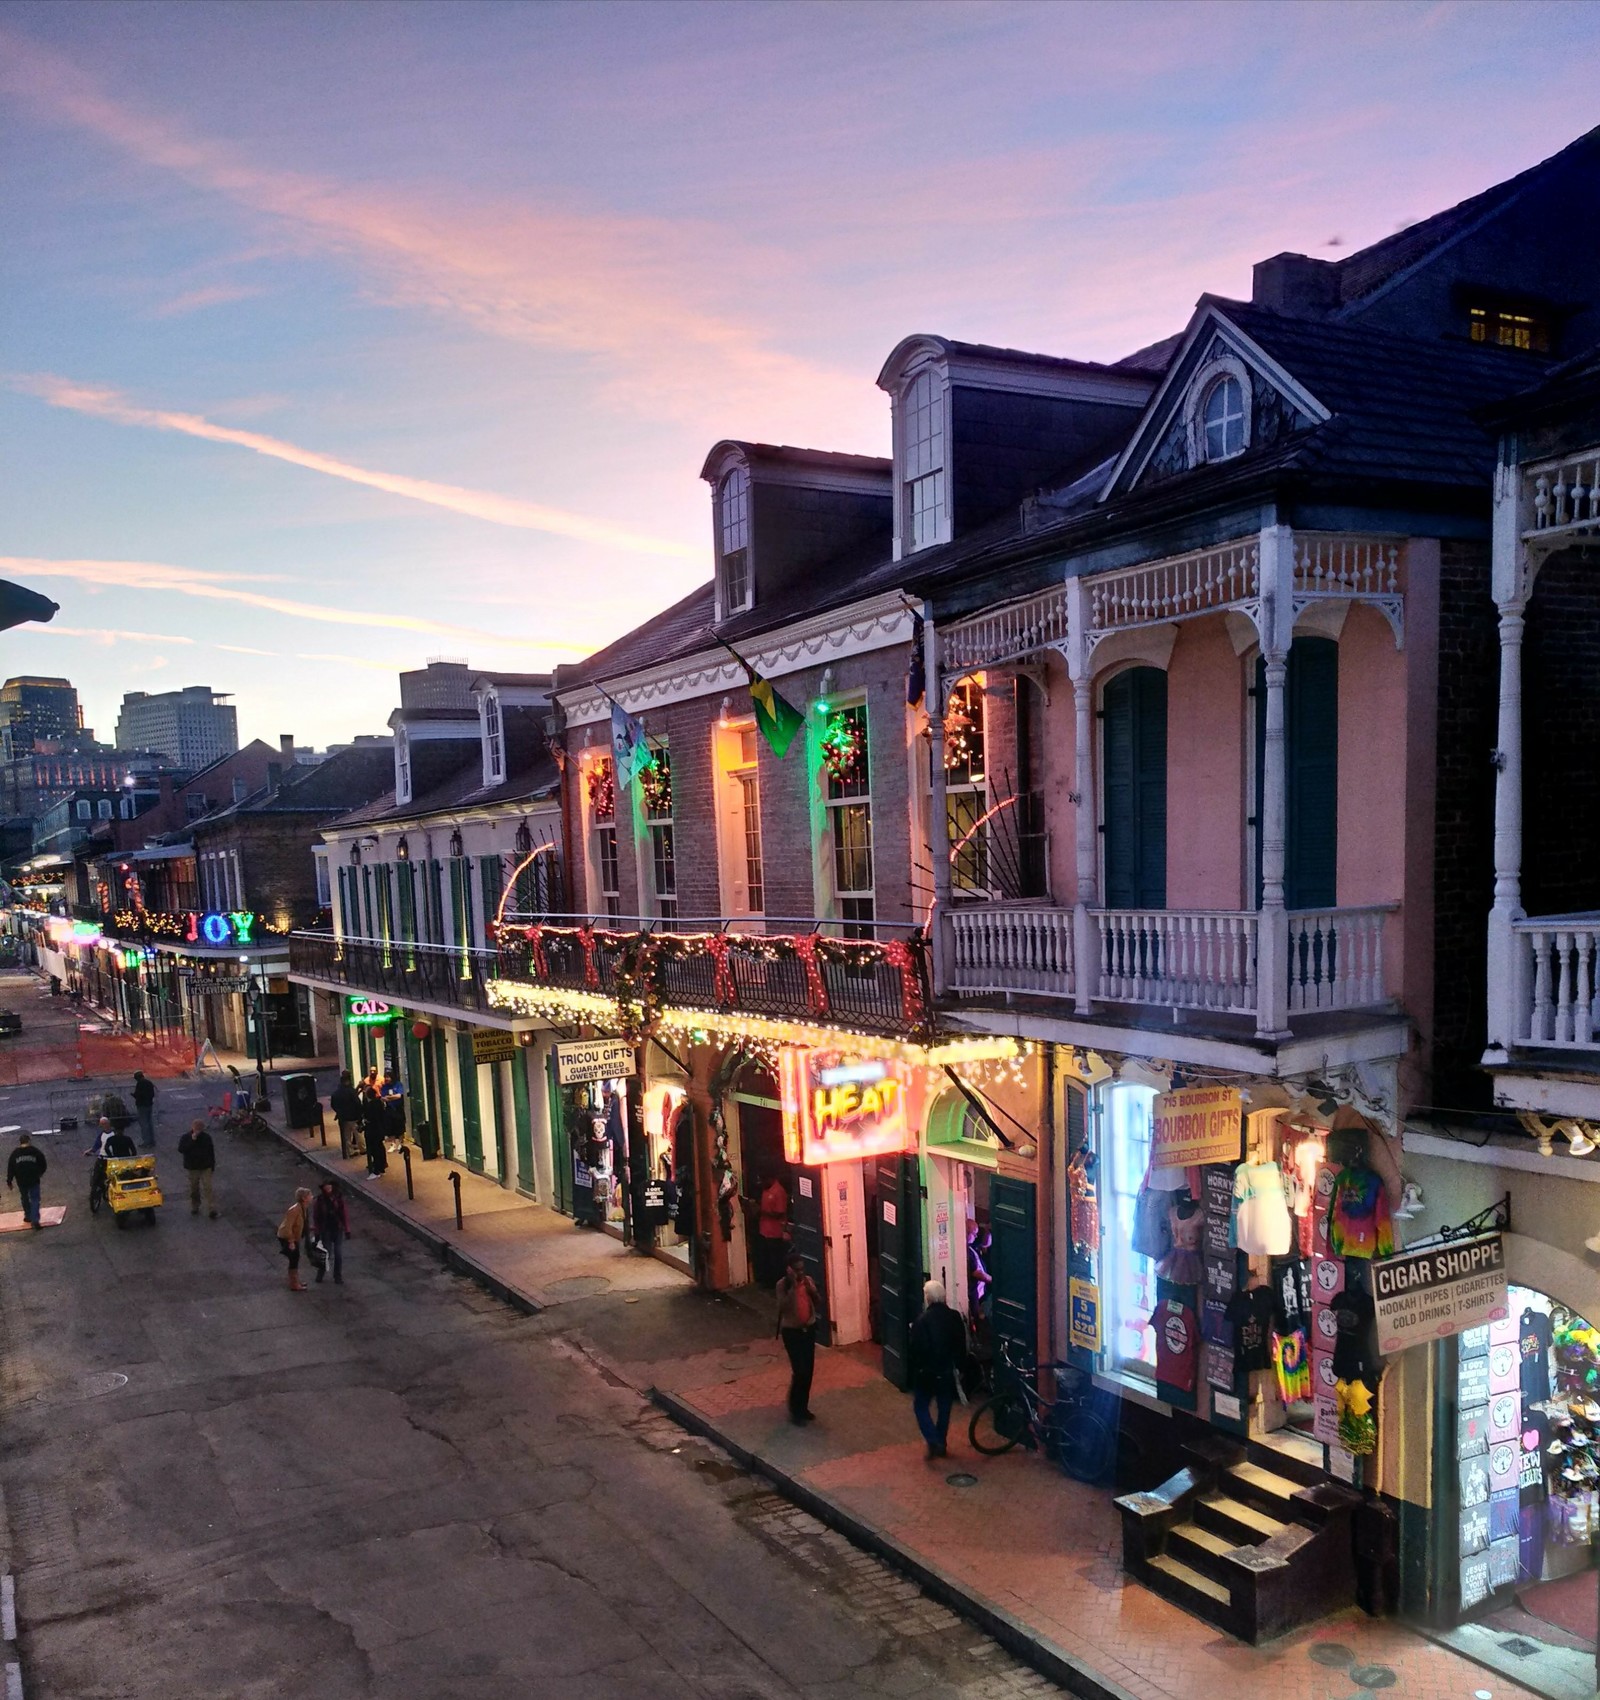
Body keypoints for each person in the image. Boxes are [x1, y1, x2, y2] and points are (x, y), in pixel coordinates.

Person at [908, 1279, 968, 1459]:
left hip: (927, 1372)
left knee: (920, 1406)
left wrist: (916, 1369)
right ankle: (941, 1440)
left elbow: (917, 1348)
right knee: (944, 1406)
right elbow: (961, 1345)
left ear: (928, 1298)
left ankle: (932, 1438)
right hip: (947, 1370)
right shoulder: (955, 1317)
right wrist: (960, 1366)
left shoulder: (921, 1321)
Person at [775, 1253, 821, 1425]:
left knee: (808, 1371)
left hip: (807, 1330)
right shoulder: (782, 1285)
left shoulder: (807, 1281)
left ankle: (804, 1407)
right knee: (799, 1370)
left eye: (802, 1269)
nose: (800, 1273)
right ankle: (795, 1408)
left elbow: (817, 1302)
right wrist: (793, 1288)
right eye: (797, 1270)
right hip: (792, 1332)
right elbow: (782, 1307)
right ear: (789, 1269)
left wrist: (811, 1291)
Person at [753, 1172, 791, 1289]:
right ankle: (767, 1282)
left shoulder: (778, 1191)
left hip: (775, 1232)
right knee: (766, 1258)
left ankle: (777, 1284)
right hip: (764, 1230)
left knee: (776, 1261)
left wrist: (762, 1212)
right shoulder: (766, 1190)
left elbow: (780, 1213)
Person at [311, 1180, 350, 1285]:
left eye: (329, 1187)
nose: (328, 1189)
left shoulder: (338, 1198)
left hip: (337, 1229)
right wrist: (317, 1231)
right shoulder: (319, 1200)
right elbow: (316, 1217)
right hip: (326, 1230)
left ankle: (337, 1276)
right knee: (326, 1253)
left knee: (338, 1254)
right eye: (326, 1187)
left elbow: (344, 1214)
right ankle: (321, 1273)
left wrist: (347, 1229)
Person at [177, 1118, 218, 1218]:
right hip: (193, 1167)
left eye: (200, 1130)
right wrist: (192, 1140)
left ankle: (211, 1208)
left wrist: (212, 1165)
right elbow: (181, 1149)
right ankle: (195, 1205)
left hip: (205, 1166)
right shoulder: (186, 1137)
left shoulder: (206, 1138)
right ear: (193, 1128)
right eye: (196, 1130)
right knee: (194, 1188)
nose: (198, 1132)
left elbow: (211, 1152)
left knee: (208, 1187)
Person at [6, 1133, 47, 1229]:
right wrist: (40, 1173)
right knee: (35, 1199)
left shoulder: (15, 1154)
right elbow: (43, 1163)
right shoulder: (35, 1151)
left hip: (21, 1180)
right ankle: (35, 1220)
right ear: (29, 1141)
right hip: (33, 1178)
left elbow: (10, 1168)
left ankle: (28, 1216)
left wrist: (9, 1181)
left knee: (24, 1197)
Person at [277, 1187, 313, 1291]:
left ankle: (295, 1281)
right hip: (287, 1236)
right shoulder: (294, 1210)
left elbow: (301, 1223)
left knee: (295, 1258)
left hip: (293, 1236)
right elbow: (288, 1227)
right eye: (310, 1195)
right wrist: (291, 1241)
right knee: (294, 1258)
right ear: (304, 1198)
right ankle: (294, 1284)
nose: (312, 1197)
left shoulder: (303, 1208)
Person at [330, 1071, 363, 1161]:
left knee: (346, 1136)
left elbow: (333, 1104)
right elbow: (357, 1103)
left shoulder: (336, 1093)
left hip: (343, 1117)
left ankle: (350, 1151)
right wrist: (360, 1114)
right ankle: (363, 1149)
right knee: (358, 1133)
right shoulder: (351, 1091)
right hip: (353, 1116)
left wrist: (339, 1111)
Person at [360, 1080, 387, 1177]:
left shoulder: (371, 1105)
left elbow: (370, 1118)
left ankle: (377, 1170)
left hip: (373, 1131)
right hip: (380, 1130)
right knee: (379, 1148)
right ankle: (382, 1166)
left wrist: (366, 1121)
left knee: (375, 1150)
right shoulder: (379, 1103)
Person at [131, 1070, 157, 1149]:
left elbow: (138, 1095)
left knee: (144, 1124)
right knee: (149, 1123)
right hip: (149, 1104)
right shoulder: (149, 1082)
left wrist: (133, 1095)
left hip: (142, 1105)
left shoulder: (140, 1084)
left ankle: (146, 1142)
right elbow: (152, 1094)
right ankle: (151, 1140)